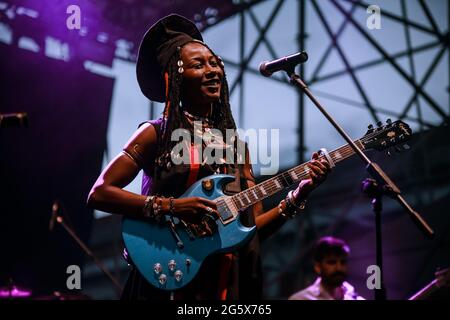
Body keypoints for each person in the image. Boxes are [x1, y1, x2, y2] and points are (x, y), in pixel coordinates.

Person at [87, 14, 331, 300]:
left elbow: (252, 232)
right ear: (176, 78)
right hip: (166, 274)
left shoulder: (236, 148)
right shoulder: (155, 134)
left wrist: (299, 195)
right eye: (198, 65)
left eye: (214, 63)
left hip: (223, 285)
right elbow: (100, 193)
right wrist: (173, 206)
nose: (212, 70)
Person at [289, 236, 364, 300]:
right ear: (317, 267)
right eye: (332, 262)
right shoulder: (301, 298)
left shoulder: (355, 298)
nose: (339, 268)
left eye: (343, 262)